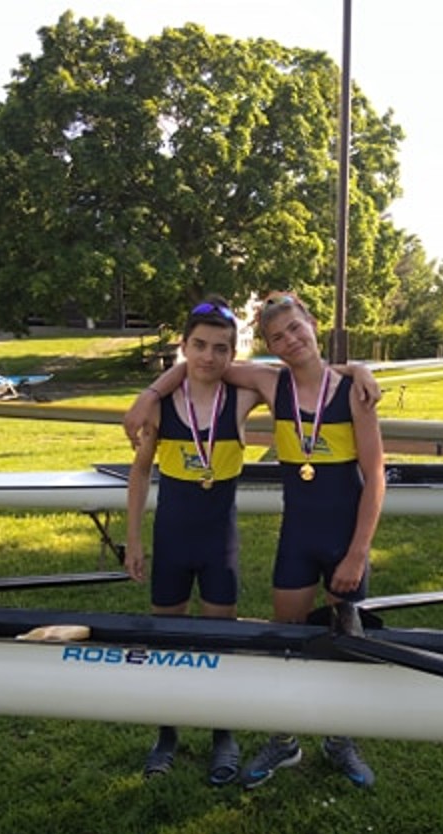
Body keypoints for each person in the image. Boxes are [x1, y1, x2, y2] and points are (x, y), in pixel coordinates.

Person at [125, 291, 385, 789]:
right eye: (277, 337)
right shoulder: (268, 383)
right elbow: (203, 366)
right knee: (284, 643)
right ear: (268, 346)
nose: (290, 340)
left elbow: (376, 476)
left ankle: (341, 741)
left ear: (312, 323)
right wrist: (150, 393)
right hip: (296, 541)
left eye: (296, 328)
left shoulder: (354, 392)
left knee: (345, 644)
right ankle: (283, 740)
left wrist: (359, 368)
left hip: (345, 543)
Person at [124, 295, 261, 786]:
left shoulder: (242, 398)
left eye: (221, 348)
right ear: (183, 347)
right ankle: (167, 734)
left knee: (221, 640)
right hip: (173, 540)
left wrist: (357, 370)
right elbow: (141, 473)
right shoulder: (161, 407)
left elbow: (300, 373)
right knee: (168, 640)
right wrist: (133, 538)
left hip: (219, 542)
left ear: (233, 354)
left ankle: (223, 733)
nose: (208, 356)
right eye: (199, 345)